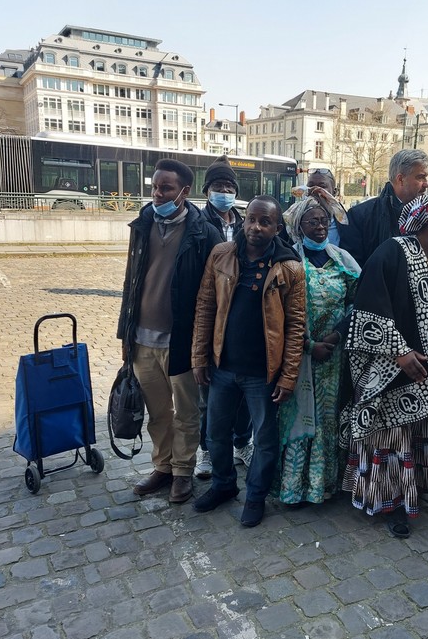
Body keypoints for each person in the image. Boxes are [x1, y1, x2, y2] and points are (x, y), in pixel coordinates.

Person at [339, 190, 428, 538]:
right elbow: (368, 306)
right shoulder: (392, 251)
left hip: (425, 369)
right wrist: (399, 352)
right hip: (389, 368)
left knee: (412, 431)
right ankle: (389, 502)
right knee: (389, 434)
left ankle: (412, 488)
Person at [191, 195, 306, 527]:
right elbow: (205, 307)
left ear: (277, 228)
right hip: (222, 366)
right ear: (243, 221)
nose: (255, 227)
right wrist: (200, 357)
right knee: (215, 433)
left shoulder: (290, 267)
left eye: (264, 222)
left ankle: (255, 496)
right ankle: (223, 485)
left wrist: (288, 376)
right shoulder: (222, 255)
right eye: (251, 219)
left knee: (265, 439)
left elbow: (296, 325)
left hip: (262, 373)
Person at [116, 159, 222, 502]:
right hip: (142, 340)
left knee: (187, 413)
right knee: (158, 413)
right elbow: (131, 281)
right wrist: (125, 335)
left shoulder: (204, 232)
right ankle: (162, 466)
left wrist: (204, 347)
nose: (158, 194)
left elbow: (214, 295)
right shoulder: (143, 223)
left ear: (185, 192)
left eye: (166, 189)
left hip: (183, 343)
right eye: (155, 187)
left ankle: (182, 472)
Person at [273, 194, 360, 506]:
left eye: (324, 220)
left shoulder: (343, 260)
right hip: (298, 356)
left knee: (329, 417)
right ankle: (295, 488)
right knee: (297, 417)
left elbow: (358, 301)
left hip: (336, 357)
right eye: (313, 221)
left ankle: (325, 484)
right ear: (299, 227)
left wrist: (335, 338)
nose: (321, 226)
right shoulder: (288, 261)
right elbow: (277, 311)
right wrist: (308, 345)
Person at [194, 155, 252, 480]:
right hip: (213, 317)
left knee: (243, 393)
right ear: (207, 191)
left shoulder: (247, 223)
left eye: (229, 186)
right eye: (218, 186)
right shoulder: (199, 225)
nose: (224, 191)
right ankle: (207, 450)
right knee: (210, 397)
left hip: (242, 320)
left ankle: (242, 443)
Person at [337, 149, 428, 267]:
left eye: (426, 177)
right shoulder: (359, 215)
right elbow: (352, 269)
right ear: (400, 179)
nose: (426, 184)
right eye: (420, 177)